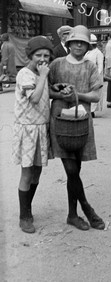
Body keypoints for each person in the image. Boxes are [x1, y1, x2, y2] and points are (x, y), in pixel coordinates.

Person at [49, 25, 105, 231]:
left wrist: (76, 95)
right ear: (68, 44)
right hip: (60, 122)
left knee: (76, 171)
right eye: (75, 42)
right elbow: (46, 89)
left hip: (81, 123)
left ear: (87, 46)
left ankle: (72, 214)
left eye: (82, 42)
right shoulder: (56, 64)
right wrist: (58, 94)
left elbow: (96, 96)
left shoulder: (90, 66)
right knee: (71, 169)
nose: (78, 45)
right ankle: (87, 209)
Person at [12, 36, 53, 233]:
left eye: (46, 55)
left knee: (37, 172)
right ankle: (24, 217)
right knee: (27, 172)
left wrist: (59, 91)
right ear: (30, 55)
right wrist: (44, 76)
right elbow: (35, 98)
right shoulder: (25, 74)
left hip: (41, 127)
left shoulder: (40, 73)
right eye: (38, 55)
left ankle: (28, 208)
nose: (42, 59)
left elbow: (45, 92)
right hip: (28, 129)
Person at [84, 34, 104, 118]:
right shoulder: (87, 52)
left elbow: (100, 66)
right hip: (86, 75)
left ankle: (92, 111)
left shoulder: (98, 53)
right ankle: (87, 109)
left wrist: (96, 76)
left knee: (94, 93)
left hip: (95, 76)